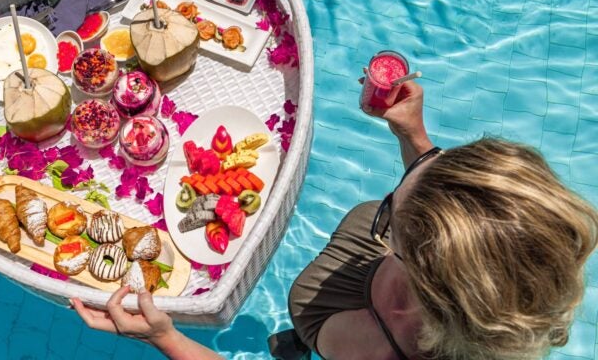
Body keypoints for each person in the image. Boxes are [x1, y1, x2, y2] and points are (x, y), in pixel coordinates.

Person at [71, 81, 598, 360]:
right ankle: (300, 340)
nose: (385, 203)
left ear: (428, 273)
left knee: (307, 321)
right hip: (371, 280)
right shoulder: (504, 273)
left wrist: (163, 338)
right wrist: (415, 141)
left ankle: (302, 338)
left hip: (359, 307)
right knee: (305, 327)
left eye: (395, 210)